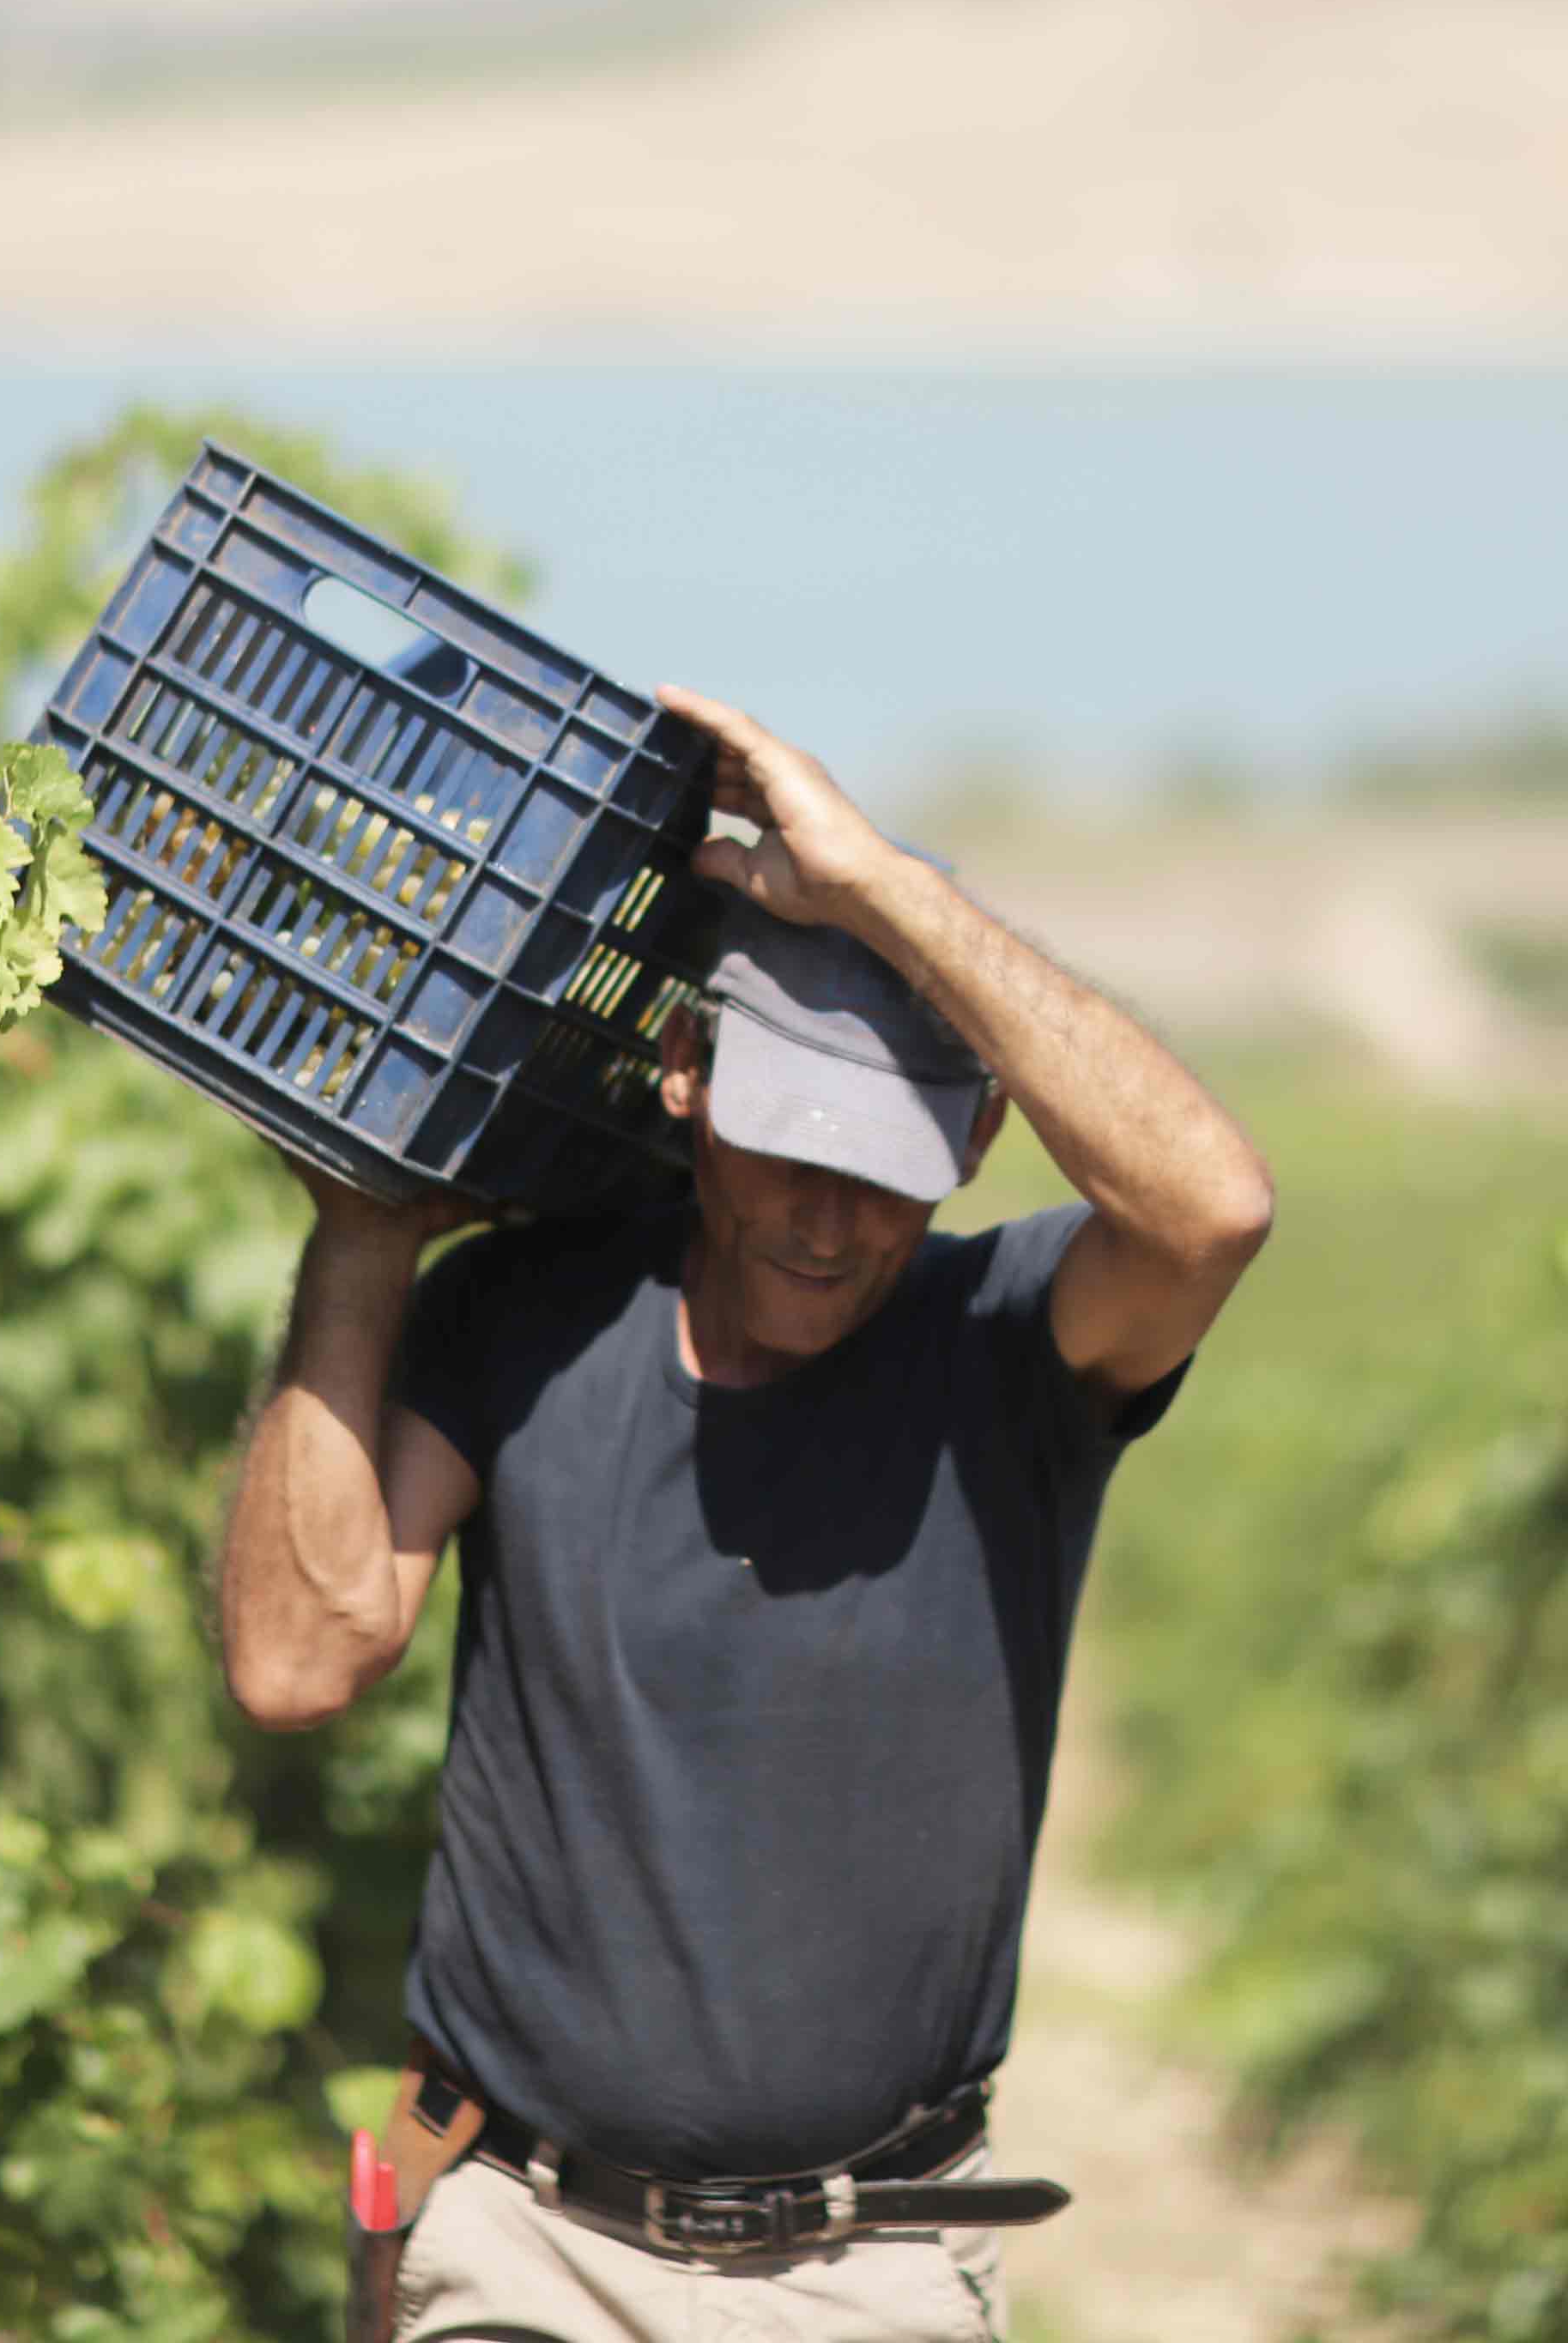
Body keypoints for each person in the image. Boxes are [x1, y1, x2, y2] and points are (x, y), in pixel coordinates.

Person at [215, 686, 1277, 2343]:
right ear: (686, 1073)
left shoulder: (1011, 1343)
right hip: (522, 2241)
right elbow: (296, 1658)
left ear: (982, 1133)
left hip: (869, 2268)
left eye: (887, 1168)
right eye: (791, 1147)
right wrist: (363, 1238)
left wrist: (876, 892)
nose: (829, 1222)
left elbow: (1212, 1210)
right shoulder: (528, 1317)